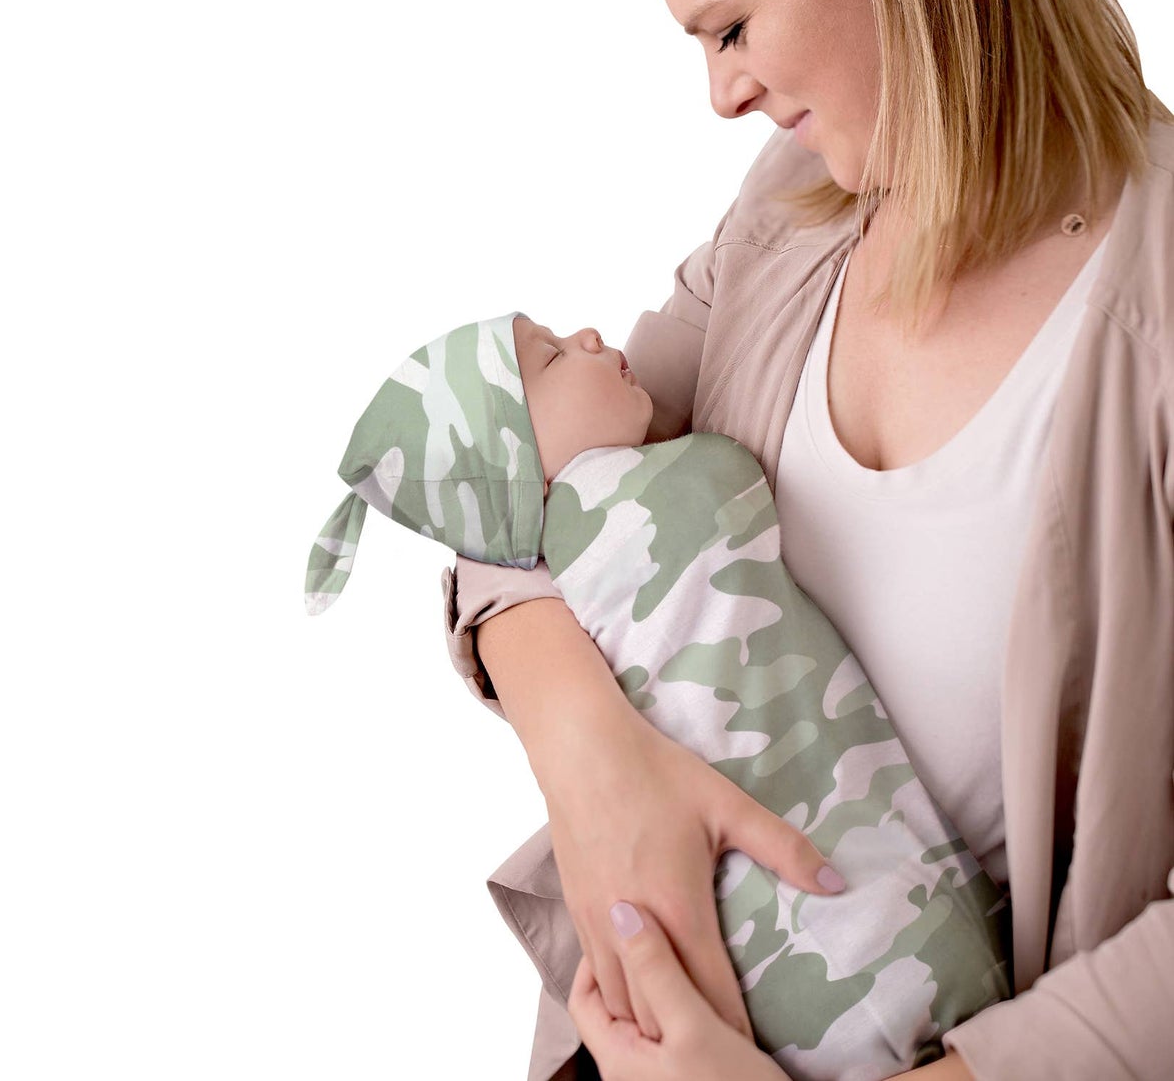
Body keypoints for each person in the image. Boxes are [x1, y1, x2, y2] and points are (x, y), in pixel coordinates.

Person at [439, 0, 1174, 1081]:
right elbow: (515, 491)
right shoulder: (788, 218)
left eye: (727, 27)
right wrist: (589, 753)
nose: (720, 93)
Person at [307, 311, 1009, 1078]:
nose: (583, 335)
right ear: (515, 469)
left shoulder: (557, 558)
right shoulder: (658, 487)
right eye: (546, 358)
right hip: (889, 932)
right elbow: (706, 483)